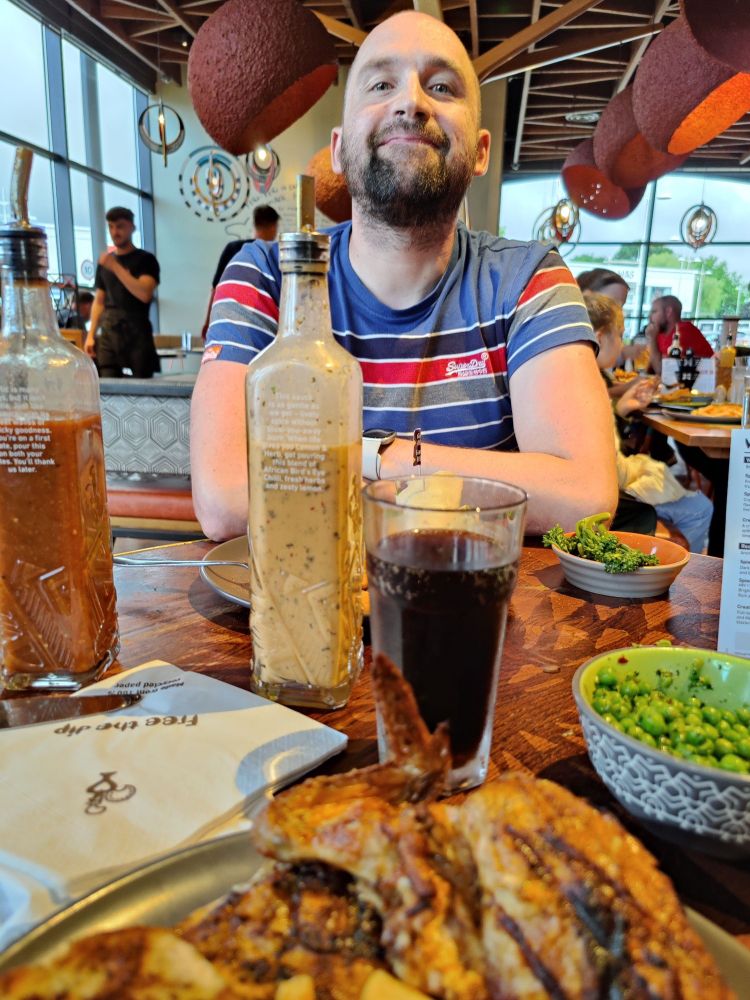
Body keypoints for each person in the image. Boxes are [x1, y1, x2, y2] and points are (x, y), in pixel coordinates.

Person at [190, 11, 617, 542]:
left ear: (481, 152)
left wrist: (373, 455)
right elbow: (226, 499)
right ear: (340, 151)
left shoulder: (527, 278)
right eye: (381, 83)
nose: (411, 102)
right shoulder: (267, 276)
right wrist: (456, 485)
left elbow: (583, 496)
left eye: (441, 86)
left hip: (470, 611)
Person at [584, 293, 712, 552]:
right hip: (610, 498)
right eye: (619, 334)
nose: (622, 344)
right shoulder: (591, 383)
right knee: (700, 509)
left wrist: (622, 408)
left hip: (603, 488)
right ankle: (676, 577)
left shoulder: (583, 377)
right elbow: (609, 466)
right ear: (599, 339)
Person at [85, 207, 161, 378]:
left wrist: (115, 267)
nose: (115, 232)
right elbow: (99, 300)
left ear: (131, 228)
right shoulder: (105, 263)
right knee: (109, 383)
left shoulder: (145, 260)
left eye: (120, 226)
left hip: (137, 331)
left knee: (142, 387)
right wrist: (90, 335)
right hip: (109, 331)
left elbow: (144, 293)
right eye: (111, 227)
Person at [201, 204, 281, 339]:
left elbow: (216, 289)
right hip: (266, 326)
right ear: (274, 226)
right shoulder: (276, 254)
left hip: (230, 321)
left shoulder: (233, 249)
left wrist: (208, 322)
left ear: (254, 224)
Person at [646, 294, 713, 376]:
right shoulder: (661, 333)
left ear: (668, 312)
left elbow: (663, 372)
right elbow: (650, 368)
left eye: (654, 312)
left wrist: (652, 339)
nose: (649, 316)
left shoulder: (683, 332)